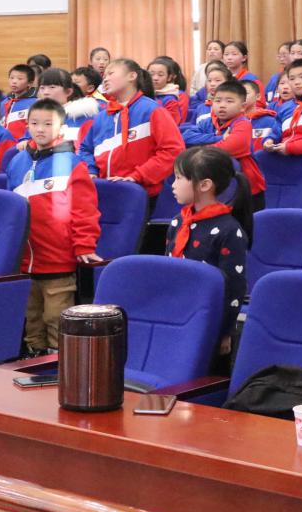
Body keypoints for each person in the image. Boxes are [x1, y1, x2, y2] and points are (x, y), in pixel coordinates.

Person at [8, 99, 102, 354]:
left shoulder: (71, 163)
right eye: (35, 123)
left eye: (48, 124)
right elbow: (9, 210)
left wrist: (84, 245)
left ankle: (58, 364)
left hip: (57, 259)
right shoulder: (17, 162)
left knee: (56, 318)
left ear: (61, 127)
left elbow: (84, 210)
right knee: (31, 319)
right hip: (25, 261)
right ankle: (34, 359)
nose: (40, 129)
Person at [166, 147, 252, 352]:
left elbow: (233, 288)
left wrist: (225, 332)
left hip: (207, 321)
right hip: (175, 314)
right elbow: (168, 271)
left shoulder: (229, 231)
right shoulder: (178, 222)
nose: (173, 184)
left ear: (204, 185)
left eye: (179, 178)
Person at [78, 59, 184, 199]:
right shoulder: (102, 116)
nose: (105, 79)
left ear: (132, 76)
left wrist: (138, 176)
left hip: (141, 192)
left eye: (111, 73)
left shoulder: (152, 110)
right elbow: (85, 149)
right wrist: (91, 170)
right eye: (105, 76)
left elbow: (173, 150)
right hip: (102, 191)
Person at [182, 81, 266, 210]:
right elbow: (186, 137)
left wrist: (199, 150)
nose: (222, 105)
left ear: (243, 107)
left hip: (247, 189)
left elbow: (229, 147)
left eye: (229, 101)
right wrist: (219, 138)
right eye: (218, 100)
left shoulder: (243, 123)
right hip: (218, 184)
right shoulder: (208, 122)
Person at [1, 64, 39, 140]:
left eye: (20, 79)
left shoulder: (36, 103)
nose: (14, 81)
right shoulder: (4, 102)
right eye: (12, 78)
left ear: (30, 83)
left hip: (23, 145)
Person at [148, 57, 189, 125]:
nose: (155, 78)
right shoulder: (143, 94)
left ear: (169, 77)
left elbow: (173, 123)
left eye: (160, 75)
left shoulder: (171, 98)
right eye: (151, 74)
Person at [263, 41, 291, 108]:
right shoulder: (274, 78)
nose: (281, 59)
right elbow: (266, 97)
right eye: (279, 56)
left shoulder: (296, 77)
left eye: (284, 56)